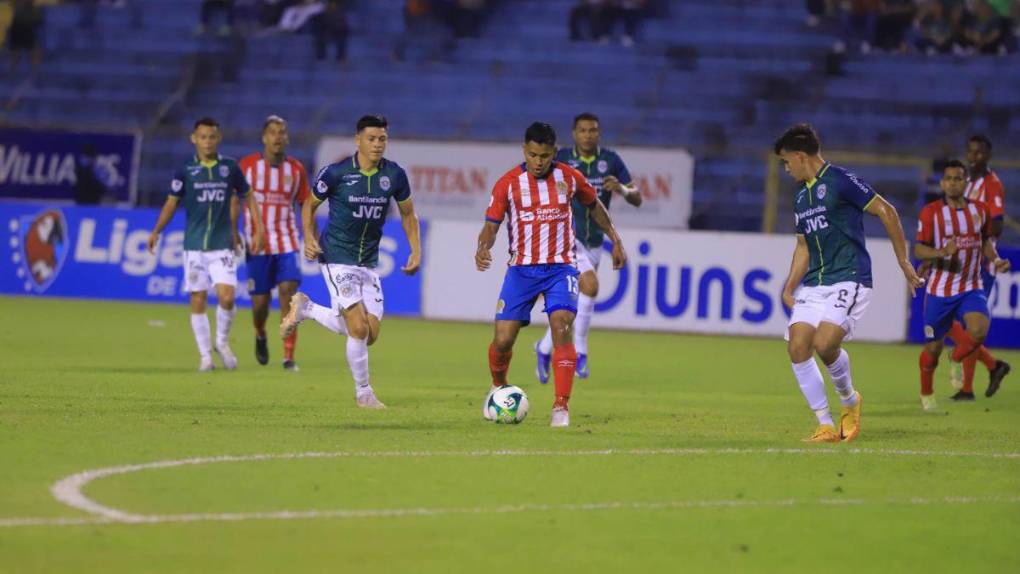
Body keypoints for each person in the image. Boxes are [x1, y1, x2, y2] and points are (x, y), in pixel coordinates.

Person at [777, 124, 923, 443]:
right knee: (798, 345)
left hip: (850, 275)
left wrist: (903, 261)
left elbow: (887, 211)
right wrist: (789, 287)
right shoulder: (801, 196)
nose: (785, 169)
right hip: (816, 282)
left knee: (825, 344)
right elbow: (803, 246)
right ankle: (825, 425)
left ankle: (849, 401)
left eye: (787, 161)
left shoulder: (841, 181)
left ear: (801, 156)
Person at [476, 122, 626, 428]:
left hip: (560, 267)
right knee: (503, 340)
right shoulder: (508, 183)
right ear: (524, 151)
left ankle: (561, 406)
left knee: (561, 325)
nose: (539, 161)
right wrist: (483, 247)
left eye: (545, 155)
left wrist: (616, 238)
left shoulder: (569, 177)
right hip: (521, 270)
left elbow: (594, 205)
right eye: (533, 155)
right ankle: (498, 386)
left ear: (554, 152)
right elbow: (491, 224)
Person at [280, 115, 421, 409]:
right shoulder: (336, 173)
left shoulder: (394, 175)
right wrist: (308, 236)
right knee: (357, 328)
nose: (377, 144)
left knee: (369, 335)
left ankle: (307, 308)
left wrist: (416, 250)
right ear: (358, 140)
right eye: (371, 138)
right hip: (337, 258)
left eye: (382, 139)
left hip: (368, 262)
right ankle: (364, 393)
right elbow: (309, 204)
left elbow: (408, 214)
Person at [148, 118, 266, 371]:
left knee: (227, 297)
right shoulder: (186, 171)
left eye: (212, 136)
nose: (208, 141)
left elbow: (248, 197)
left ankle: (222, 342)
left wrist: (257, 228)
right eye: (203, 137)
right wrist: (157, 230)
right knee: (198, 298)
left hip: (222, 244)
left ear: (218, 138)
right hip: (194, 246)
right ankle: (205, 356)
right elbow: (171, 203)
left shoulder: (230, 167)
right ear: (194, 139)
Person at [535, 112, 640, 383]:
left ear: (599, 133)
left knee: (572, 306)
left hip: (595, 243)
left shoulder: (611, 161)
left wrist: (622, 190)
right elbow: (535, 180)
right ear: (574, 134)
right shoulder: (562, 160)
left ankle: (544, 348)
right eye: (582, 130)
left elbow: (637, 198)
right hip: (567, 237)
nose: (588, 135)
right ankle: (580, 350)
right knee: (590, 286)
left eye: (593, 130)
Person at [915, 159, 1011, 411]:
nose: (953, 183)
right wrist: (940, 251)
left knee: (979, 329)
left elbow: (986, 242)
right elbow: (918, 248)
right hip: (939, 290)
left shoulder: (980, 209)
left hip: (971, 285)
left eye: (958, 178)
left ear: (966, 182)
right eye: (948, 178)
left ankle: (955, 357)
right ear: (942, 182)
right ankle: (927, 394)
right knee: (932, 350)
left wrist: (997, 260)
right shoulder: (931, 212)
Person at [940, 134, 1011, 397]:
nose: (974, 157)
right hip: (959, 262)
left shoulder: (992, 185)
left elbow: (998, 224)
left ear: (988, 155)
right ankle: (994, 365)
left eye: (979, 152)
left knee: (969, 326)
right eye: (971, 152)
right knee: (944, 320)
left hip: (981, 264)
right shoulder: (965, 182)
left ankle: (967, 388)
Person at [239, 115, 310, 371]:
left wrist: (310, 236)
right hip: (257, 245)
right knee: (259, 306)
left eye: (282, 132)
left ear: (287, 137)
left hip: (287, 241)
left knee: (289, 294)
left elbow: (305, 205)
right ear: (263, 137)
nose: (277, 137)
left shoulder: (296, 169)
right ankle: (260, 333)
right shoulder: (247, 166)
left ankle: (289, 357)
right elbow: (235, 199)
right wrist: (233, 232)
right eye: (272, 132)